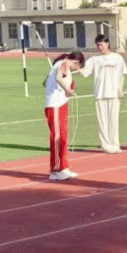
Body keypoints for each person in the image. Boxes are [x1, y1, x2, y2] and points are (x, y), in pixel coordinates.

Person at [80, 34, 126, 153]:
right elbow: (83, 70)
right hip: (100, 93)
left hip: (114, 94)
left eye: (102, 44)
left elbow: (122, 75)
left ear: (108, 44)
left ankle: (115, 145)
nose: (100, 47)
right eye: (98, 44)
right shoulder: (95, 60)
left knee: (113, 120)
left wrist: (120, 91)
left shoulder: (117, 58)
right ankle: (105, 145)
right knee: (102, 120)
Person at [44, 50, 85, 182]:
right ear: (76, 62)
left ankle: (63, 167)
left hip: (59, 104)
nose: (76, 69)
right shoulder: (63, 64)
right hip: (55, 105)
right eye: (78, 67)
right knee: (57, 138)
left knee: (62, 137)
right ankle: (56, 170)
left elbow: (45, 82)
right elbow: (58, 78)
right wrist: (67, 89)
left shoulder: (57, 65)